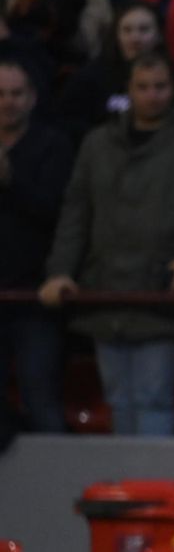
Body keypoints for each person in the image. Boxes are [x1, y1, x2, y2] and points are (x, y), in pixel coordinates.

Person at [40, 51, 174, 436]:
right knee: (118, 399)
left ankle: (154, 487)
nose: (153, 95)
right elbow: (76, 214)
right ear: (128, 91)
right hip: (107, 293)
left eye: (161, 87)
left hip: (162, 294)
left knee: (153, 398)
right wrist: (61, 271)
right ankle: (130, 491)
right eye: (143, 87)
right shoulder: (97, 144)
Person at [0, 56, 70, 434]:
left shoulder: (52, 145)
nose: (8, 102)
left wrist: (11, 181)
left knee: (40, 395)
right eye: (1, 94)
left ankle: (59, 486)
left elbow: (56, 212)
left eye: (16, 93)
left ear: (32, 98)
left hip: (34, 298)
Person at [53, 1, 163, 144]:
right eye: (127, 30)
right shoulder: (91, 77)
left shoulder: (167, 76)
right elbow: (67, 123)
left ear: (159, 35)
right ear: (117, 35)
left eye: (144, 30)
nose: (135, 38)